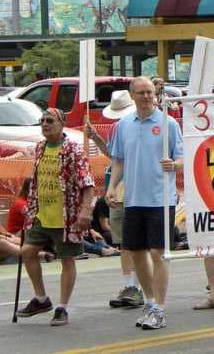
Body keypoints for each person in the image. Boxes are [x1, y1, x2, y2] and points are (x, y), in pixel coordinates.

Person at [106, 76, 183, 329]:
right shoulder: (124, 124)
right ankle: (150, 301)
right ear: (132, 96)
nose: (146, 96)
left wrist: (174, 164)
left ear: (156, 94)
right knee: (136, 253)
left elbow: (182, 158)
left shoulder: (168, 123)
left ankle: (159, 307)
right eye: (141, 92)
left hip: (161, 200)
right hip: (133, 200)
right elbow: (118, 160)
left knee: (158, 253)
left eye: (150, 91)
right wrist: (110, 188)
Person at [16, 108, 94, 326]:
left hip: (66, 217)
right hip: (42, 213)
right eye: (42, 121)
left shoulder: (73, 150)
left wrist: (85, 211)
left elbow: (87, 183)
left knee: (66, 259)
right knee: (27, 251)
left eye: (49, 120)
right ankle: (41, 299)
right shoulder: (40, 147)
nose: (44, 124)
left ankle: (62, 307)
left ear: (61, 123)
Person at [85, 89, 144, 308]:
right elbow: (114, 155)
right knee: (125, 242)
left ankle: (140, 288)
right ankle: (130, 286)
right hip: (118, 192)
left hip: (138, 190)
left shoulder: (141, 126)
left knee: (139, 244)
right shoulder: (116, 128)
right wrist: (97, 138)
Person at [0, 178, 53, 266]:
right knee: (5, 243)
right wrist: (5, 237)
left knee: (17, 242)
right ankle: (40, 255)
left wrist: (9, 236)